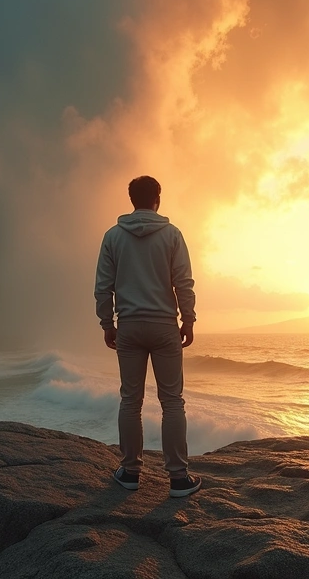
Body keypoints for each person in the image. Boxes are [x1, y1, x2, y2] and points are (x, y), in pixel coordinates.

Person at [94, 175, 201, 498]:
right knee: (172, 402)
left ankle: (130, 472)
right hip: (164, 325)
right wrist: (188, 319)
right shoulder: (172, 235)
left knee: (131, 400)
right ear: (158, 198)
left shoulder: (113, 236)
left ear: (132, 200)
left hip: (129, 325)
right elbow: (183, 282)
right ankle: (178, 478)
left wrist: (107, 323)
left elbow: (103, 286)